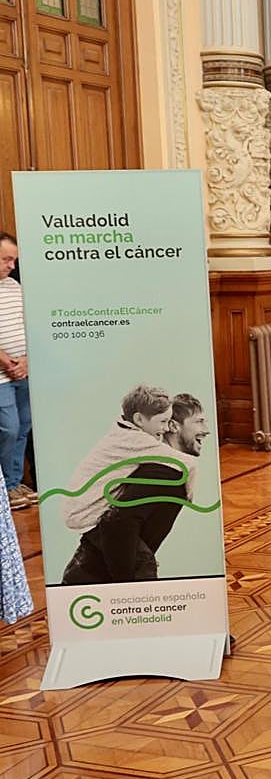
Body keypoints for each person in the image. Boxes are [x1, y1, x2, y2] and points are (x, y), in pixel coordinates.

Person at [60, 392, 208, 584]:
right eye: (199, 421)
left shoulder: (148, 456)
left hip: (89, 569)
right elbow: (117, 522)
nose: (206, 429)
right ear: (173, 426)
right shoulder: (165, 472)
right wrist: (129, 583)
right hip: (97, 576)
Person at [0, 233, 34, 511]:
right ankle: (5, 487)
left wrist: (25, 359)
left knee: (23, 425)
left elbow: (29, 324)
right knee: (8, 428)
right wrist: (5, 360)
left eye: (13, 260)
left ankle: (13, 483)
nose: (11, 265)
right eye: (5, 259)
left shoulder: (14, 287)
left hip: (23, 371)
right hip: (2, 376)